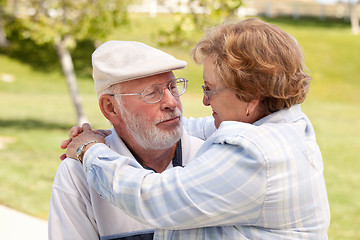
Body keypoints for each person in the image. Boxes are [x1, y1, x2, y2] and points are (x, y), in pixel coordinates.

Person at [65, 18, 330, 239]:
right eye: (153, 93)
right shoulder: (288, 126)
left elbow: (151, 199)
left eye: (210, 89)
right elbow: (198, 127)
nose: (204, 101)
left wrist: (90, 150)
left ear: (250, 97)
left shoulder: (254, 156)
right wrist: (125, 128)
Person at [48, 40, 206, 240]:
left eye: (173, 87)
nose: (172, 102)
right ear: (110, 108)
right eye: (152, 93)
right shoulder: (77, 174)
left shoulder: (210, 158)